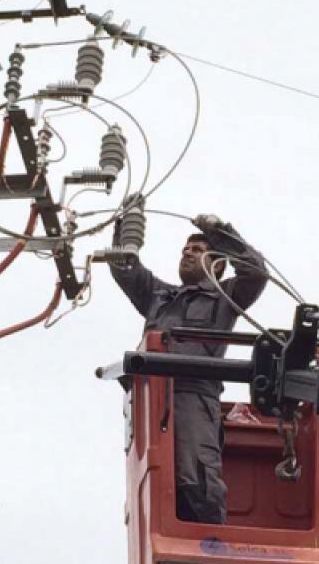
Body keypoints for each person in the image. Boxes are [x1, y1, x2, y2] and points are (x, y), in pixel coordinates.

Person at [109, 213, 268, 524]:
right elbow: (126, 269)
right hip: (150, 401)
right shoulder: (159, 296)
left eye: (198, 249)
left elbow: (256, 273)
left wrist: (220, 233)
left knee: (195, 477)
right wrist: (127, 226)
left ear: (217, 265)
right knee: (157, 482)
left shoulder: (224, 297)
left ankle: (211, 545)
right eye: (186, 248)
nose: (188, 252)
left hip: (193, 398)